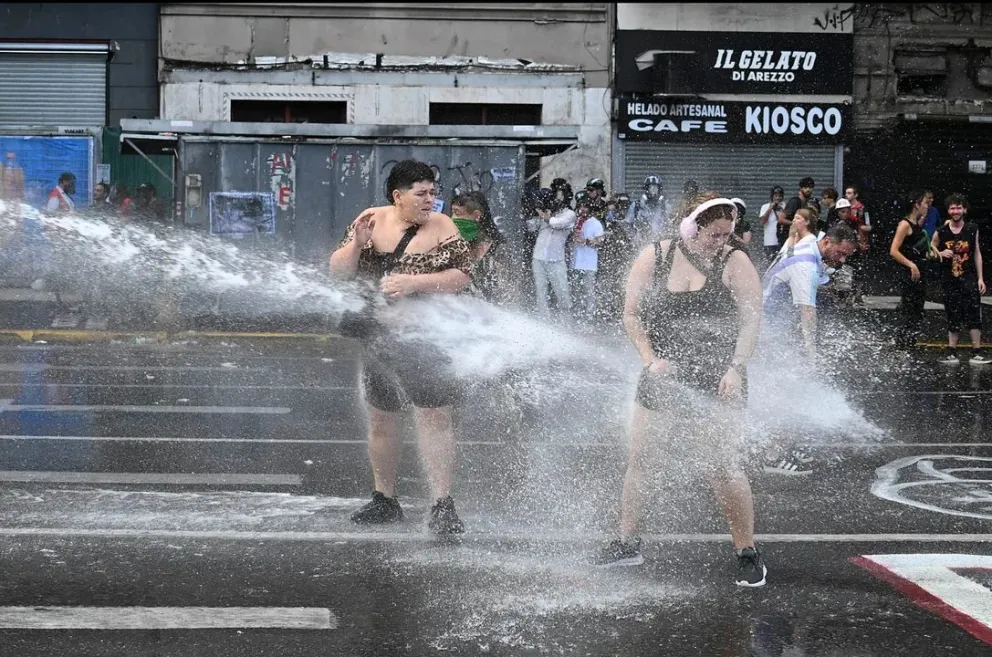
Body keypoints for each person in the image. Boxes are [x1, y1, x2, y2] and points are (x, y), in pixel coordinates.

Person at [593, 193, 767, 587]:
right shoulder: (656, 256)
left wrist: (736, 368)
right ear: (691, 226)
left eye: (727, 234)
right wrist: (650, 359)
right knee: (643, 461)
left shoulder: (735, 261)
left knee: (721, 465)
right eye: (713, 234)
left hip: (719, 379)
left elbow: (750, 322)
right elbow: (631, 314)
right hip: (663, 375)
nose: (720, 241)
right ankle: (627, 542)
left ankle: (747, 551)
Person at [328, 159, 474, 534]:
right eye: (422, 193)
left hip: (427, 338)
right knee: (382, 416)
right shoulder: (372, 219)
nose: (431, 200)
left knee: (435, 417)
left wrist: (415, 283)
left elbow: (461, 277)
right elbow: (338, 271)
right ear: (398, 196)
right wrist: (357, 246)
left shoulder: (443, 226)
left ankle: (443, 504)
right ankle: (384, 499)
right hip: (380, 337)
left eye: (433, 192)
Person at [932, 193, 988, 365]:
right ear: (948, 210)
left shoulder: (972, 228)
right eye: (952, 207)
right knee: (952, 311)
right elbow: (930, 247)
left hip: (969, 276)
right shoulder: (941, 230)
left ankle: (977, 351)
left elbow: (977, 253)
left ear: (964, 209)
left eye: (958, 207)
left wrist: (980, 278)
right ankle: (951, 351)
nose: (955, 211)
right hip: (949, 277)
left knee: (973, 310)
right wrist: (939, 253)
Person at [888, 190, 933, 350]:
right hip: (910, 273)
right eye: (925, 203)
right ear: (916, 205)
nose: (927, 207)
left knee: (917, 310)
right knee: (909, 309)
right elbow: (894, 250)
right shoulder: (904, 224)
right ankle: (902, 344)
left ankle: (910, 343)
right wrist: (911, 265)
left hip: (921, 272)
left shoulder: (917, 224)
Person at [450, 191, 508, 304]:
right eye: (452, 212)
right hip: (455, 311)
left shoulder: (497, 247)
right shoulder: (451, 242)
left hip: (486, 312)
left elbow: (504, 290)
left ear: (477, 215)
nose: (453, 218)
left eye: (457, 213)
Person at [528, 185, 576, 317]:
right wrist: (535, 212)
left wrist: (546, 217)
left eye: (560, 197)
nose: (556, 200)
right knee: (541, 291)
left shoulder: (570, 214)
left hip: (556, 260)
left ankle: (566, 321)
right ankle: (544, 319)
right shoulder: (547, 212)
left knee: (562, 291)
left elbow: (556, 223)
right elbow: (531, 227)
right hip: (538, 257)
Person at [570, 199, 605, 322]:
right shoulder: (577, 222)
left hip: (589, 264)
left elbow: (601, 241)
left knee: (589, 291)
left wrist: (587, 242)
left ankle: (590, 316)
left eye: (585, 207)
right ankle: (578, 315)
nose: (582, 209)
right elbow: (573, 238)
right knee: (576, 290)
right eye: (580, 206)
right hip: (576, 263)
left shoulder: (595, 223)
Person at [625, 175, 668, 249]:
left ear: (659, 190)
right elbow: (627, 225)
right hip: (640, 245)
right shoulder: (636, 206)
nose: (653, 191)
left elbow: (669, 225)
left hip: (659, 246)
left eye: (655, 188)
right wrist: (634, 239)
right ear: (646, 189)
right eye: (651, 188)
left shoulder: (664, 206)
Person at [779, 177, 815, 248]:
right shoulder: (794, 201)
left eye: (810, 187)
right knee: (790, 256)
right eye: (805, 187)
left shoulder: (808, 203)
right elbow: (781, 219)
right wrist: (796, 224)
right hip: (789, 238)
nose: (808, 189)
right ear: (801, 188)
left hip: (800, 239)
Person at [760, 186, 787, 265]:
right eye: (776, 195)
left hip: (783, 242)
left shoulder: (785, 206)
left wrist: (782, 209)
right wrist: (770, 209)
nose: (778, 198)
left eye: (780, 196)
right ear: (772, 196)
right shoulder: (765, 207)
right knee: (770, 266)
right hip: (770, 242)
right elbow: (762, 222)